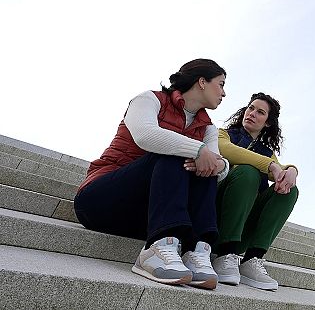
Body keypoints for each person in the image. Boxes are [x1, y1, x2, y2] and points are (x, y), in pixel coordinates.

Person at [74, 59, 230, 290]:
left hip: (145, 216)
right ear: (202, 82)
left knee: (205, 168)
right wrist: (197, 150)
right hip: (100, 201)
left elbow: (216, 164)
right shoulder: (150, 99)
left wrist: (219, 165)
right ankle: (155, 250)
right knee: (176, 152)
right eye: (221, 84)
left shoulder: (208, 128)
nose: (224, 93)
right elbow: (145, 135)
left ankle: (197, 249)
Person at [201, 92, 298, 290]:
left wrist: (292, 170)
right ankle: (225, 253)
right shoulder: (222, 134)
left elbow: (281, 169)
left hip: (243, 230)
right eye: (251, 108)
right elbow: (225, 149)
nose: (252, 113)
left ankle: (252, 259)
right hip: (215, 219)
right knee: (248, 171)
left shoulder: (266, 151)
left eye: (260, 112)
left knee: (290, 190)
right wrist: (270, 165)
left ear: (268, 123)